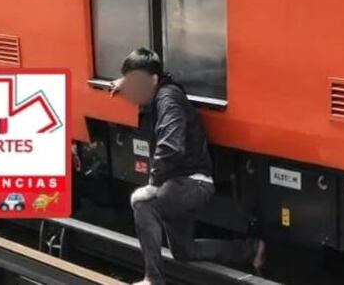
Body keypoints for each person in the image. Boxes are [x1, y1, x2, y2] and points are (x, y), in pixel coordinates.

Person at [111, 48, 264, 285]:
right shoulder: (158, 90)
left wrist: (152, 185)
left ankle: (153, 279)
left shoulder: (168, 100)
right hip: (178, 182)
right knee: (184, 251)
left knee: (144, 206)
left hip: (192, 182)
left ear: (153, 80)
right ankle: (251, 250)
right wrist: (123, 82)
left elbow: (170, 146)